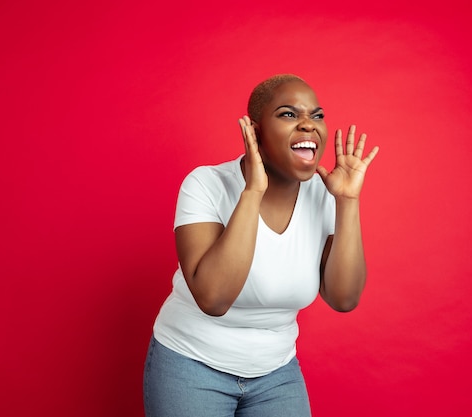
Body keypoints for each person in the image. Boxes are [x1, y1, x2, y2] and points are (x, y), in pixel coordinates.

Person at [143, 74, 379, 417]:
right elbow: (214, 298)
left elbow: (344, 298)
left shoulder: (324, 193)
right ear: (254, 132)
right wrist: (252, 191)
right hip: (191, 364)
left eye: (316, 116)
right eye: (288, 114)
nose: (308, 125)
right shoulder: (206, 184)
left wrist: (347, 201)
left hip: (276, 373)